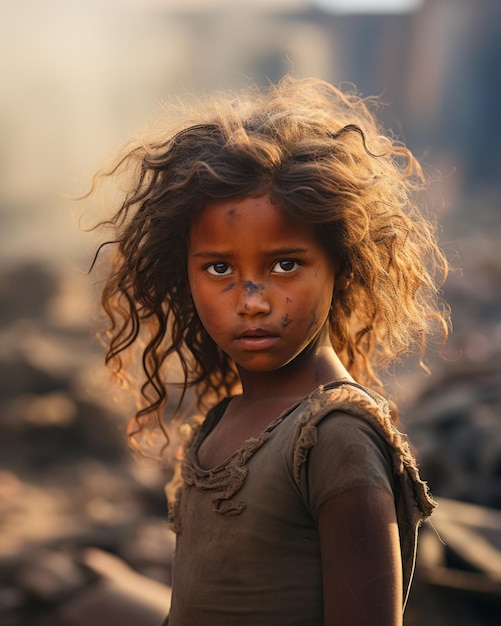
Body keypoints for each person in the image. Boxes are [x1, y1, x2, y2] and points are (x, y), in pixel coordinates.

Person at [90, 76, 449, 626]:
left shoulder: (335, 437)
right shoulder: (222, 423)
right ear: (183, 273)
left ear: (341, 263)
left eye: (285, 264)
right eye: (220, 269)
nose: (252, 301)